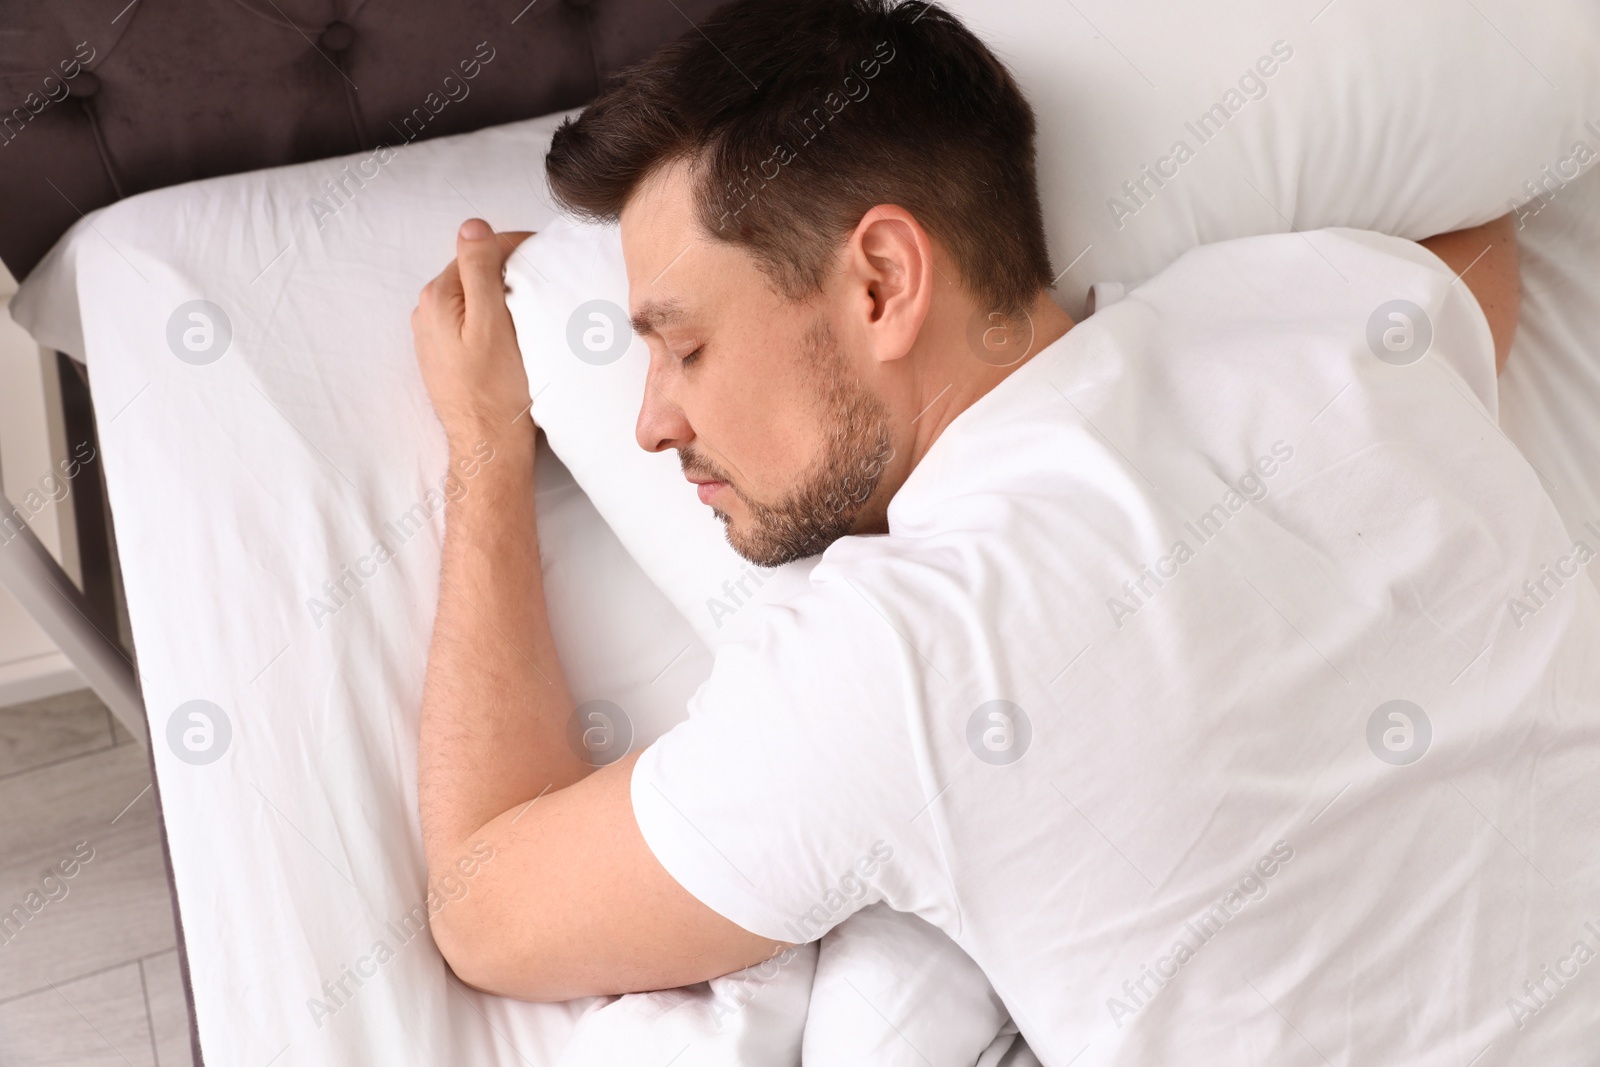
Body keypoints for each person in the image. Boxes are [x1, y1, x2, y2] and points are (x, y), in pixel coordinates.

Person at [409, 0, 1596, 1062]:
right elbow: (1479, 231)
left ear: (879, 279)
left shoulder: (896, 662)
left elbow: (482, 907)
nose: (652, 422)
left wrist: (481, 449)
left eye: (686, 344)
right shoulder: (1330, 318)